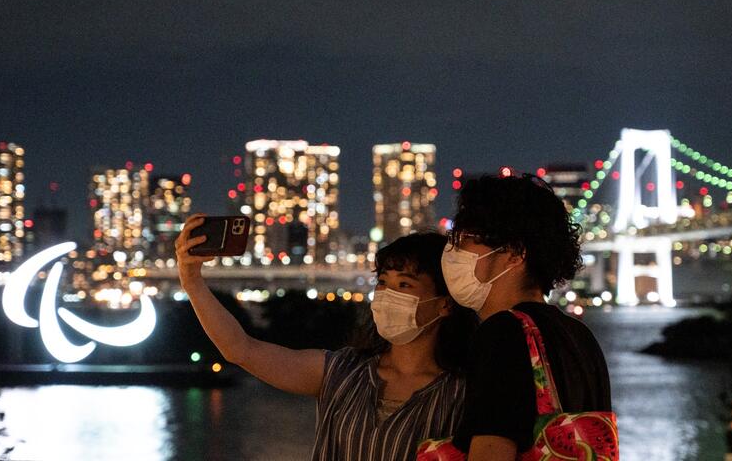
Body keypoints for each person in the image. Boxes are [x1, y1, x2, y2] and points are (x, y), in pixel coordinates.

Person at [176, 216, 476, 461]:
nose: (387, 295)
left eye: (404, 284)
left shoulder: (463, 393)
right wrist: (192, 282)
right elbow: (240, 348)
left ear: (445, 303)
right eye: (383, 282)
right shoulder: (342, 372)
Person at [438, 174, 612, 461]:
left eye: (466, 240)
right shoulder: (581, 336)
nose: (454, 252)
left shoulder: (503, 333)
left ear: (515, 253)